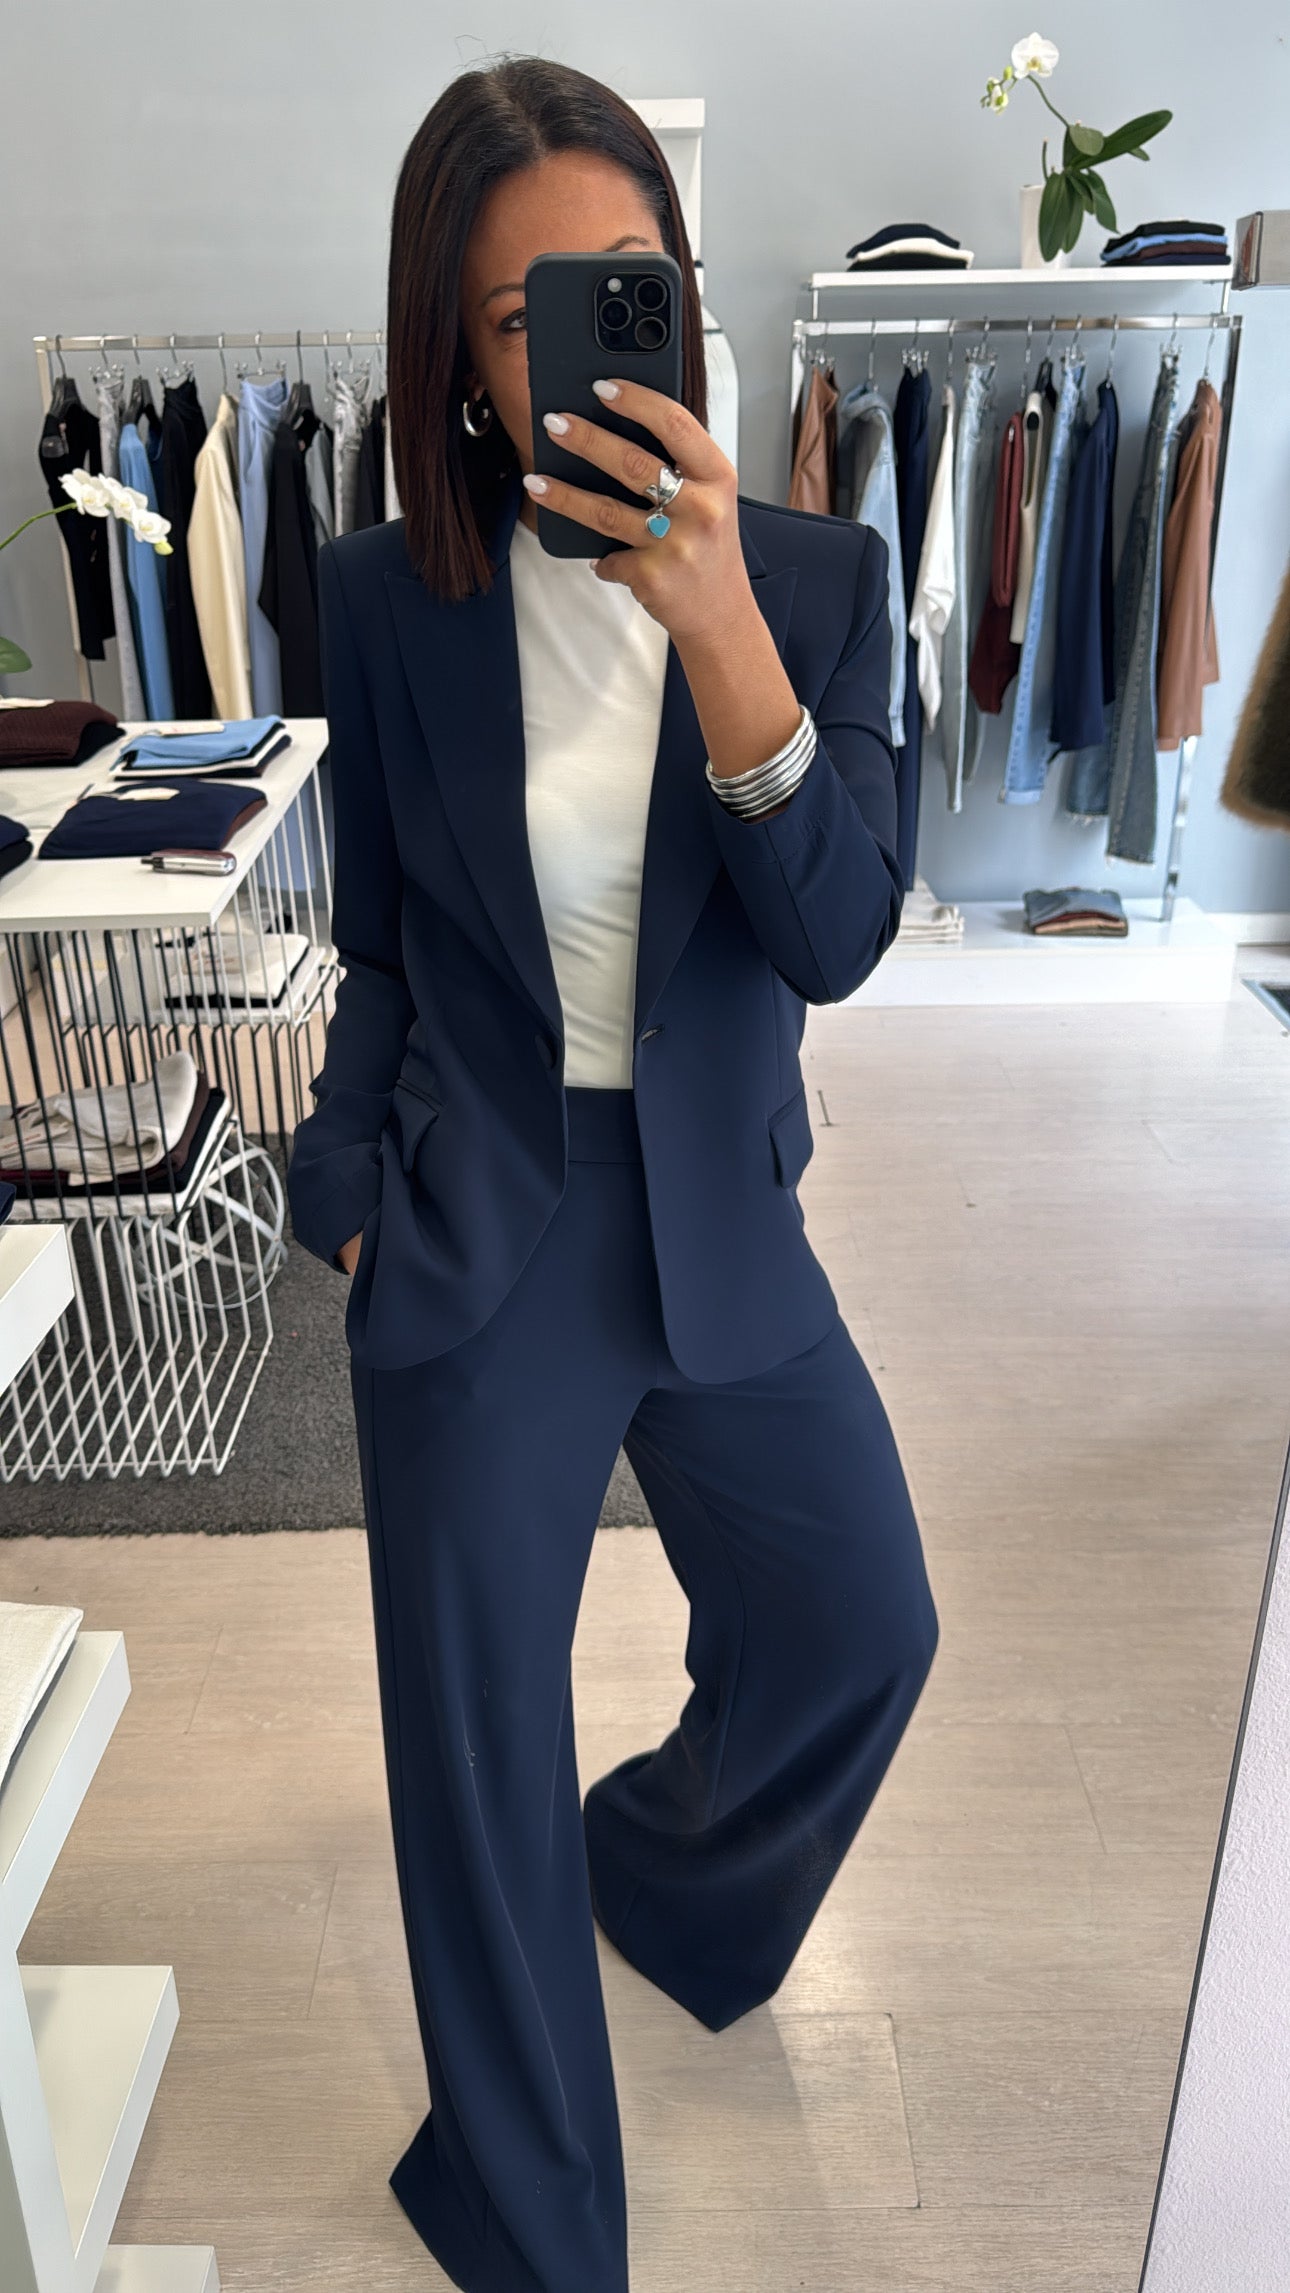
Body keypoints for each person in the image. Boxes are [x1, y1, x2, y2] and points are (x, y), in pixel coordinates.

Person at [286, 52, 940, 2293]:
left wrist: (720, 626)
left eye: (624, 279)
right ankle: (527, 2219)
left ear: (675, 283)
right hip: (481, 1217)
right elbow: (380, 936)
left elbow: (836, 936)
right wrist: (338, 1179)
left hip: (719, 1205)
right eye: (518, 313)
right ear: (462, 365)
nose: (577, 339)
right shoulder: (384, 598)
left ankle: (662, 1880)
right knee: (473, 1742)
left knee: (860, 1623)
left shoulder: (822, 582)